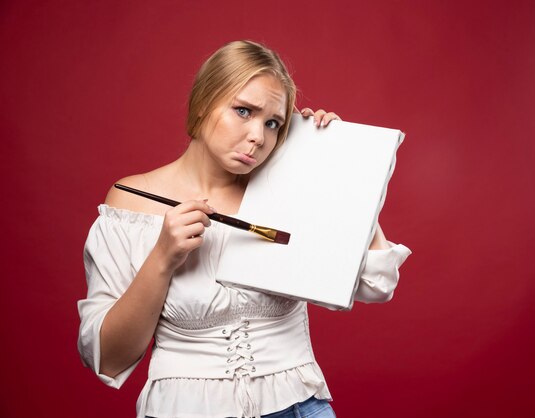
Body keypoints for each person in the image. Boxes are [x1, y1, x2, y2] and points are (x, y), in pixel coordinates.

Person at [77, 40, 411, 418]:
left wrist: (336, 172)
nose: (258, 136)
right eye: (243, 111)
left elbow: (375, 285)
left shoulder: (287, 191)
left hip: (299, 405)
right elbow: (109, 357)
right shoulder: (132, 201)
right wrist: (162, 258)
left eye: (273, 123)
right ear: (203, 102)